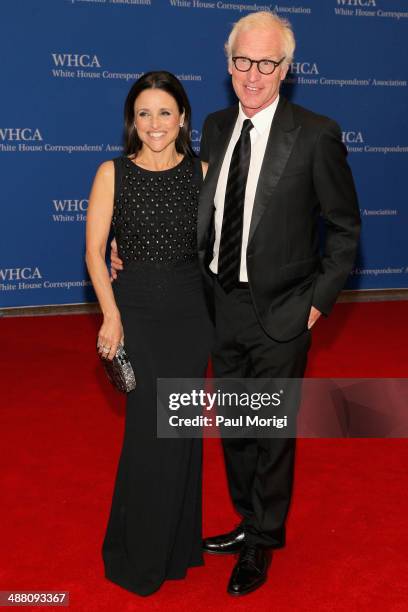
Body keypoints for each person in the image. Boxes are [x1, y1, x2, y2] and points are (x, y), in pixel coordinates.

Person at [111, 12, 361, 597]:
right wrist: (127, 245)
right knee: (237, 429)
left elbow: (346, 229)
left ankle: (263, 543)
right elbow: (184, 204)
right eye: (243, 61)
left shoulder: (316, 133)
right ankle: (248, 520)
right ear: (228, 65)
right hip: (217, 306)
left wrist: (317, 304)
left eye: (267, 62)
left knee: (272, 433)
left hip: (284, 313)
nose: (254, 73)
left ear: (286, 68)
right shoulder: (219, 128)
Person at [85, 71, 212, 596]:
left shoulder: (203, 173)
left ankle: (178, 547)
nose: (154, 124)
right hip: (135, 310)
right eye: (143, 114)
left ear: (182, 118)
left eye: (164, 112)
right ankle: (136, 552)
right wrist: (111, 315)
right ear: (131, 122)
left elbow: (224, 249)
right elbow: (96, 252)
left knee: (179, 429)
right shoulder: (112, 173)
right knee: (147, 434)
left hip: (190, 314)